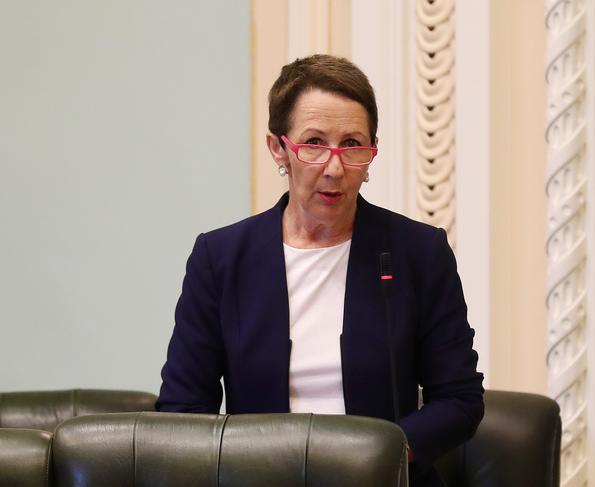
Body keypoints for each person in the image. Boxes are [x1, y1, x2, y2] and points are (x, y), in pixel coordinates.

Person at [156, 54, 484, 486]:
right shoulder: (221, 258)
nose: (334, 168)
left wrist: (377, 456)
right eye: (313, 143)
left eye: (352, 145)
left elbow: (459, 399)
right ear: (279, 148)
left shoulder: (417, 252)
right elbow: (183, 410)